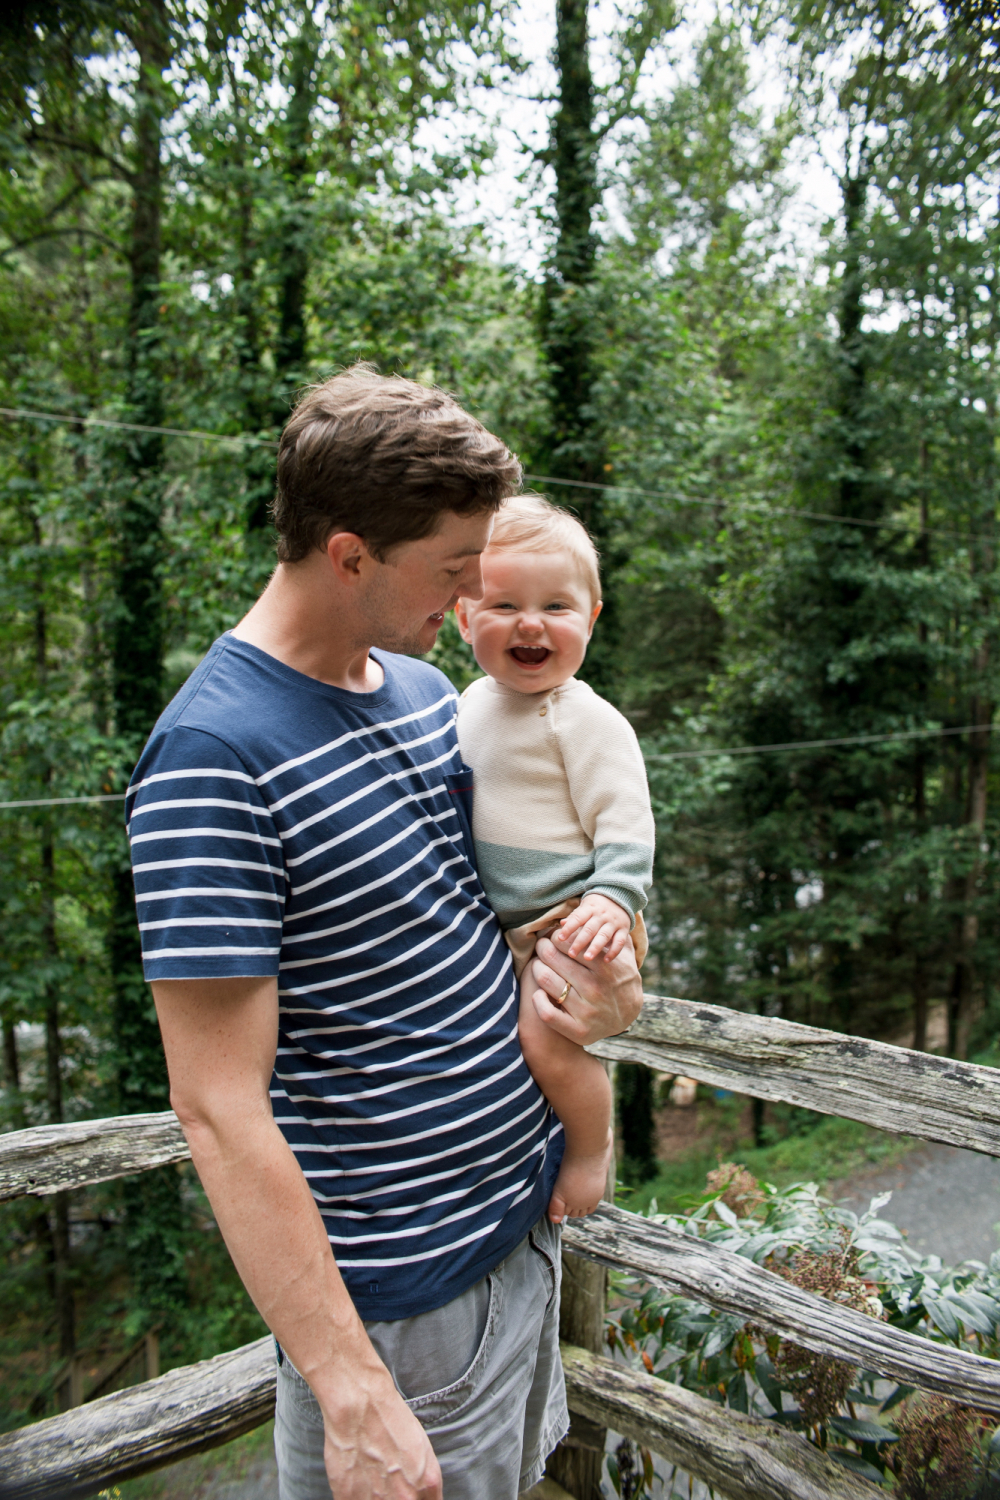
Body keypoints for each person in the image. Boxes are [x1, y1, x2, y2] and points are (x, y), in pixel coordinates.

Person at [127, 366, 644, 1500]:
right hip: (404, 1309)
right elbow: (217, 1106)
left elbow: (493, 918)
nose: (475, 597)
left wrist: (605, 999)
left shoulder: (422, 696)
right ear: (350, 553)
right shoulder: (214, 761)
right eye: (455, 571)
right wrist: (351, 1389)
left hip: (523, 1228)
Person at [454, 497, 654, 1225]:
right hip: (515, 926)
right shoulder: (466, 703)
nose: (530, 624)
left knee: (546, 1035)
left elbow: (625, 820)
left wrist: (612, 896)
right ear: (463, 617)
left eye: (556, 607)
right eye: (503, 604)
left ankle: (590, 1148)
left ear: (592, 619)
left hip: (576, 918)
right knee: (509, 1036)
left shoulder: (584, 717)